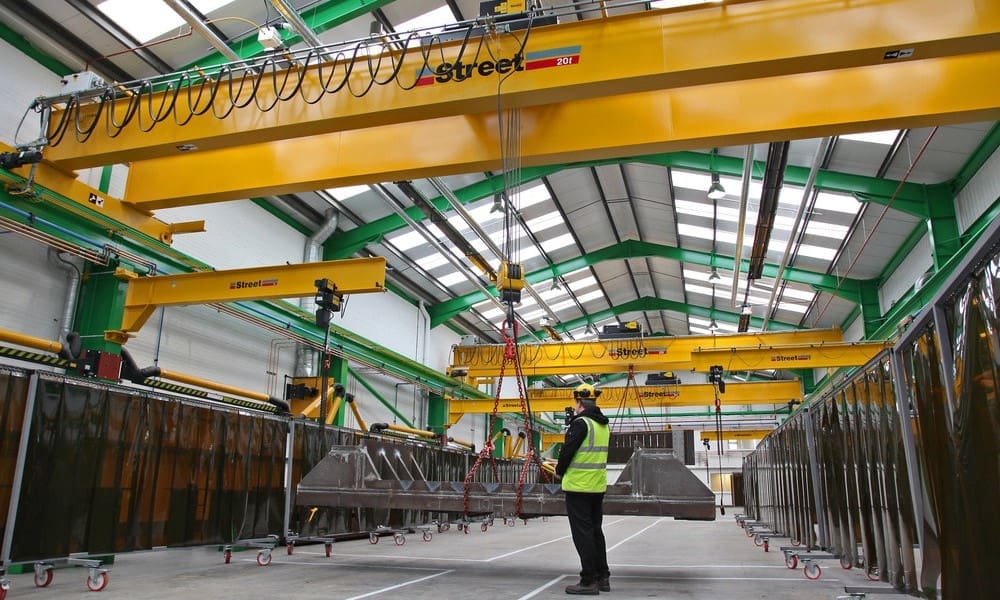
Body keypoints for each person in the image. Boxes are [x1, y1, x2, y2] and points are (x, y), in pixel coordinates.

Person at [554, 382, 611, 595]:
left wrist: (559, 470)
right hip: (596, 486)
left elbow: (568, 451)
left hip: (579, 487)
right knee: (595, 531)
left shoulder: (581, 423)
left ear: (579, 403)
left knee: (583, 534)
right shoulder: (603, 425)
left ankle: (588, 581)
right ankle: (603, 577)